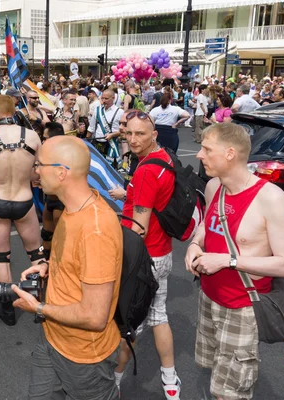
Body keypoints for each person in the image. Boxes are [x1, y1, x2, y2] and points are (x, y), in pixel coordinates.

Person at [186, 123, 284, 400]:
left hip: (242, 308)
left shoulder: (270, 198)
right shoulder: (214, 187)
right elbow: (206, 229)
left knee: (231, 392)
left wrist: (227, 261)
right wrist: (194, 246)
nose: (199, 155)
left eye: (206, 149)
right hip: (209, 299)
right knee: (214, 374)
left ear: (230, 154)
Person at [12, 135, 123, 400]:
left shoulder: (95, 229)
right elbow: (78, 261)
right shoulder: (72, 210)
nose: (35, 171)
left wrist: (37, 307)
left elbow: (95, 317)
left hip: (84, 356)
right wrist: (51, 266)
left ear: (61, 173)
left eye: (39, 165)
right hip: (52, 336)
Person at [114, 110, 181, 400]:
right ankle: (170, 381)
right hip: (163, 252)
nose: (133, 139)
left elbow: (138, 228)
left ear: (153, 134)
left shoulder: (145, 171)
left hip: (143, 258)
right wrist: (127, 195)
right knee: (159, 316)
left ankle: (113, 380)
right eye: (128, 133)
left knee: (129, 325)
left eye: (140, 133)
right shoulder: (164, 158)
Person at [0, 95, 45, 325]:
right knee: (36, 254)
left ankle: (7, 310)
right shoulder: (32, 136)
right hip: (25, 200)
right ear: (14, 109)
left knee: (1, 256)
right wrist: (26, 177)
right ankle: (40, 307)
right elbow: (38, 173)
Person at [39, 121, 65, 259]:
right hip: (49, 200)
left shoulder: (65, 157)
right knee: (46, 234)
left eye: (45, 138)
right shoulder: (45, 153)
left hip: (61, 203)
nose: (42, 140)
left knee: (60, 240)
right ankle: (46, 262)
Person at [87, 90, 124, 167]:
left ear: (113, 98)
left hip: (111, 144)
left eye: (106, 99)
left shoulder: (120, 112)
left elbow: (124, 130)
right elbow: (91, 127)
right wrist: (86, 140)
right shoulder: (98, 110)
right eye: (102, 98)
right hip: (97, 143)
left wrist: (113, 134)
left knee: (110, 169)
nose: (103, 101)